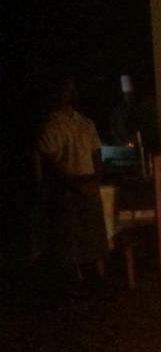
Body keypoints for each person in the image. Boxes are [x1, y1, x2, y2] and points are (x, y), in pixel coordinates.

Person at [35, 76, 109, 292]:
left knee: (92, 233)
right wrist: (73, 184)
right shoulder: (51, 125)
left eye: (72, 89)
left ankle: (92, 276)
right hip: (67, 184)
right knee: (70, 235)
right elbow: (51, 161)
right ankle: (71, 281)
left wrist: (97, 179)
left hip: (88, 180)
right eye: (65, 89)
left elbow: (96, 153)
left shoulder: (86, 123)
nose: (69, 93)